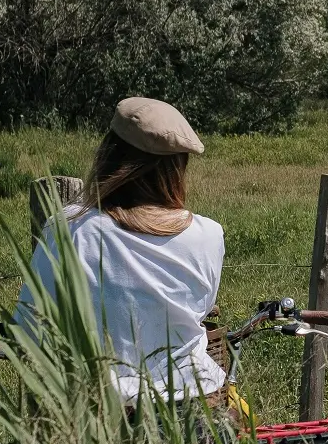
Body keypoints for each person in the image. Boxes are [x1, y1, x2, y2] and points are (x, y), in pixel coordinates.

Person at [13, 97, 227, 405]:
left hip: (101, 413)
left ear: (110, 155)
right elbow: (200, 311)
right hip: (196, 407)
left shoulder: (71, 229)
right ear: (178, 168)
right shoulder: (209, 235)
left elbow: (30, 327)